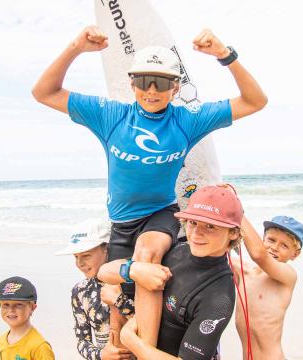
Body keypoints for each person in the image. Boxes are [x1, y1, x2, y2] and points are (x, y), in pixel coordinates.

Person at [32, 25, 267, 347]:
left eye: (163, 82)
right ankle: (119, 347)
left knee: (146, 257)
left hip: (161, 213)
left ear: (176, 86)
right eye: (143, 81)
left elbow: (255, 101)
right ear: (132, 83)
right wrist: (75, 47)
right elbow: (44, 93)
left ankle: (146, 348)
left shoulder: (188, 119)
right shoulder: (111, 115)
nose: (152, 90)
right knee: (114, 294)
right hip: (120, 222)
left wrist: (224, 55)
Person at [97, 185, 243, 359]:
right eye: (193, 223)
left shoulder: (219, 296)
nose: (196, 234)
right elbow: (104, 272)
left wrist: (131, 340)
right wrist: (133, 269)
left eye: (210, 226)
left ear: (233, 232)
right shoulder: (175, 252)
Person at [55, 218, 134, 360]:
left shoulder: (130, 283)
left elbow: (147, 324)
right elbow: (82, 340)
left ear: (107, 249)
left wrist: (119, 300)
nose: (80, 263)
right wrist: (101, 354)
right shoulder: (80, 291)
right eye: (76, 257)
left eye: (86, 256)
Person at [232, 214, 303, 360]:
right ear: (263, 239)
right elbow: (215, 254)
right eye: (271, 240)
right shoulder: (243, 271)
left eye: (284, 245)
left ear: (295, 254)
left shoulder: (288, 277)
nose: (275, 247)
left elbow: (259, 255)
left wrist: (238, 211)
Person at [0, 276, 55, 360]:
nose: (11, 310)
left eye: (18, 304)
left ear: (32, 308)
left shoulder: (39, 346)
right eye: (6, 304)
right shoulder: (2, 340)